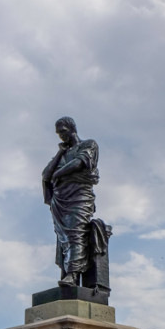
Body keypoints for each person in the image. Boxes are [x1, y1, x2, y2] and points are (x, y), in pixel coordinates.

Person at [42, 116, 104, 286]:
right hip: (60, 201)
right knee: (65, 239)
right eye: (58, 134)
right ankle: (69, 272)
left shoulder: (88, 144)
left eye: (63, 131)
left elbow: (79, 163)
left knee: (76, 233)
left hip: (79, 196)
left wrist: (59, 174)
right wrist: (60, 153)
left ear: (72, 128)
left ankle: (73, 274)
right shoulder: (62, 155)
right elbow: (45, 175)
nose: (61, 136)